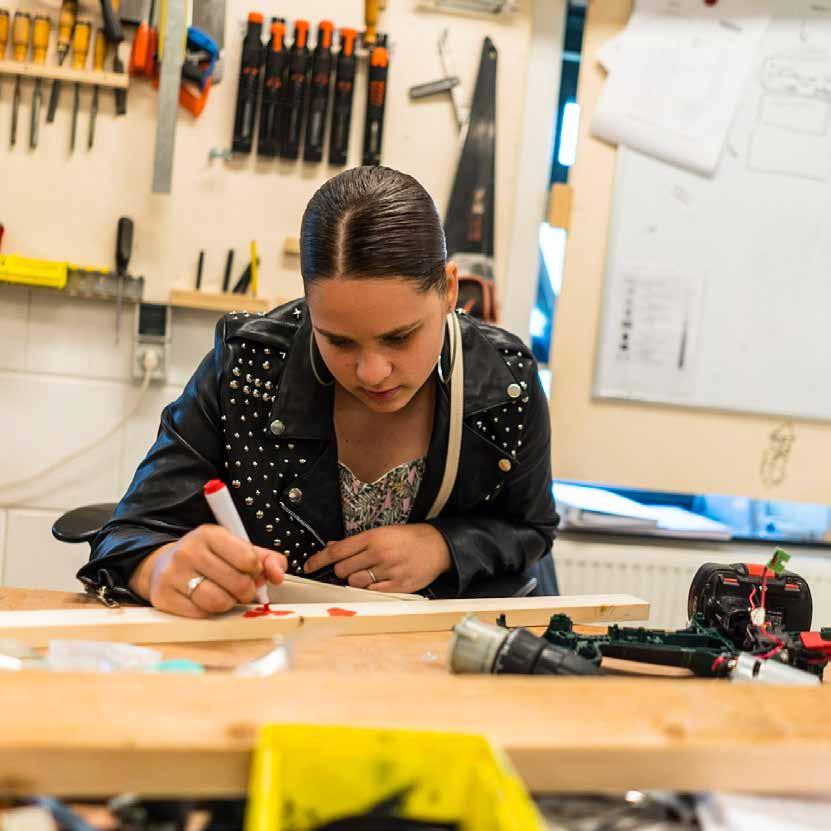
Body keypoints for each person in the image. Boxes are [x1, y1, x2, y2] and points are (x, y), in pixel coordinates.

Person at [78, 166, 560, 618]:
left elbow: (532, 529)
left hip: (437, 670)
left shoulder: (505, 384)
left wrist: (445, 546)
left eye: (400, 337)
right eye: (339, 340)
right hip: (272, 667)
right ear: (308, 304)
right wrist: (158, 566)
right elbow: (127, 535)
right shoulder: (248, 367)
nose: (372, 372)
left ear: (450, 290)